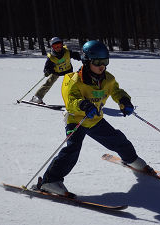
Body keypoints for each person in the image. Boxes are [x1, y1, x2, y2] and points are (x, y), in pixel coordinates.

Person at [38, 40, 153, 196]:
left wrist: (124, 101)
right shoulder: (73, 80)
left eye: (105, 61)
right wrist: (83, 105)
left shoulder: (108, 79)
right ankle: (50, 181)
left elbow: (117, 91)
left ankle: (131, 159)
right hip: (76, 120)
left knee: (119, 140)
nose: (102, 66)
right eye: (98, 62)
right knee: (72, 149)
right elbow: (70, 101)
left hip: (95, 120)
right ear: (86, 61)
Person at [30, 37, 81, 104]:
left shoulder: (67, 52)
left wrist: (82, 58)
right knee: (48, 83)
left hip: (68, 71)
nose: (58, 48)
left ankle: (76, 98)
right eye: (55, 46)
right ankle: (37, 97)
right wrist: (47, 71)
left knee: (73, 83)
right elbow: (47, 67)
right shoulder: (51, 57)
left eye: (59, 46)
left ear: (62, 45)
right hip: (56, 72)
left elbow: (76, 55)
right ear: (52, 47)